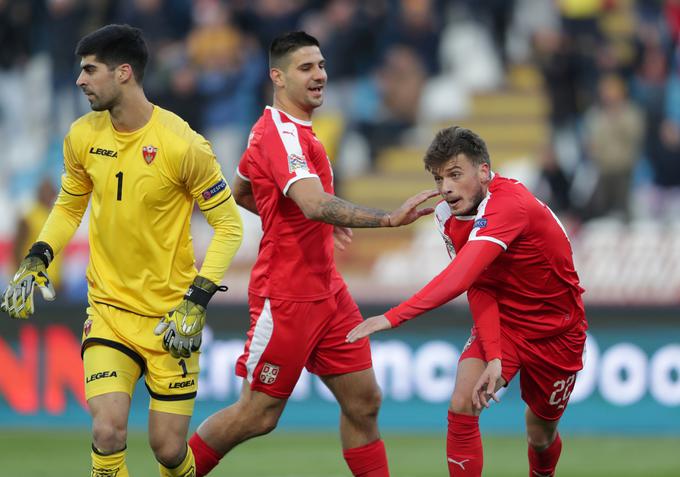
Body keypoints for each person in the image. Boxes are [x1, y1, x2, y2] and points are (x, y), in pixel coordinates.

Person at [187, 31, 438, 477]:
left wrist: (311, 213)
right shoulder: (281, 135)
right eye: (306, 68)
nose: (319, 75)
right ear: (277, 77)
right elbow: (311, 201)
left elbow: (246, 188)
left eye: (321, 65)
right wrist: (385, 220)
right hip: (287, 297)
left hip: (328, 292)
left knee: (364, 402)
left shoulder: (291, 130)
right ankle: (176, 470)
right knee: (257, 415)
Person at [1, 24, 243, 477]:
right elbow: (70, 205)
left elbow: (229, 226)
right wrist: (38, 255)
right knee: (107, 431)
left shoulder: (183, 144)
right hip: (109, 310)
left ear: (124, 73)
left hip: (173, 317)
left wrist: (197, 298)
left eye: (90, 70)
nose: (80, 80)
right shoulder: (81, 136)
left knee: (168, 450)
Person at [347, 126, 588, 477]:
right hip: (506, 322)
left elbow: (459, 277)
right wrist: (494, 354)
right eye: (438, 177)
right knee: (462, 403)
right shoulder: (447, 216)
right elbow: (479, 285)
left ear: (484, 172)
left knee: (540, 433)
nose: (445, 187)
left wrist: (393, 317)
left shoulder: (510, 204)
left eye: (455, 174)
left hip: (557, 331)